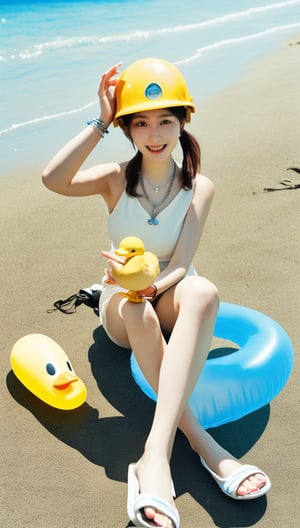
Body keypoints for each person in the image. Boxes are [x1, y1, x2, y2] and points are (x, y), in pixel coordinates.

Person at [42, 58, 271, 528]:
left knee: (203, 290)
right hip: (121, 306)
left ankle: (153, 455)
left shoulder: (199, 187)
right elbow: (53, 180)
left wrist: (155, 285)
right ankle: (205, 447)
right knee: (137, 312)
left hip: (167, 290)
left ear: (183, 122)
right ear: (128, 129)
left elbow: (183, 263)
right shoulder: (114, 178)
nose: (154, 132)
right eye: (141, 122)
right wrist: (101, 120)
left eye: (165, 120)